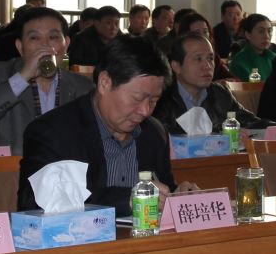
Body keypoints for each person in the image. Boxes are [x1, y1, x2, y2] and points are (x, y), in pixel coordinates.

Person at [18, 35, 182, 214]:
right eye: (137, 98)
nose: (145, 110)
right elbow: (33, 205)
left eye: (153, 101)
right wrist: (126, 200)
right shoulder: (52, 132)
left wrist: (178, 195)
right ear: (104, 83)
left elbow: (164, 189)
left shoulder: (154, 132)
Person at [0, 6, 92, 150]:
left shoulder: (83, 87)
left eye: (53, 37)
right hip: (9, 164)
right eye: (34, 38)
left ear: (66, 44)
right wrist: (23, 77)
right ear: (20, 47)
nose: (45, 45)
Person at [154, 33, 270, 133]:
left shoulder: (220, 93)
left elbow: (250, 122)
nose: (208, 66)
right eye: (198, 59)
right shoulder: (160, 98)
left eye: (210, 59)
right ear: (176, 66)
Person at [226, 14, 276, 83]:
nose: (267, 36)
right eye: (261, 31)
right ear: (248, 35)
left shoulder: (275, 58)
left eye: (269, 31)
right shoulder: (239, 63)